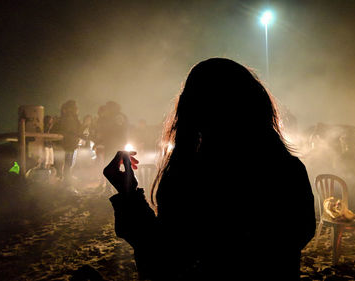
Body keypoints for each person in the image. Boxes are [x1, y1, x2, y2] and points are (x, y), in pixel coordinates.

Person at [104, 58, 316, 280]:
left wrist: (128, 195)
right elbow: (294, 240)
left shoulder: (190, 177)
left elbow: (162, 259)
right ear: (257, 104)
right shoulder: (289, 171)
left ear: (192, 112)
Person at [58, 100, 81, 186]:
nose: (77, 109)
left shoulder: (70, 117)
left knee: (69, 162)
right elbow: (71, 131)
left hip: (70, 143)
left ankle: (67, 181)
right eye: (75, 107)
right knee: (68, 163)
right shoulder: (69, 118)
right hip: (69, 143)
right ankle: (67, 182)